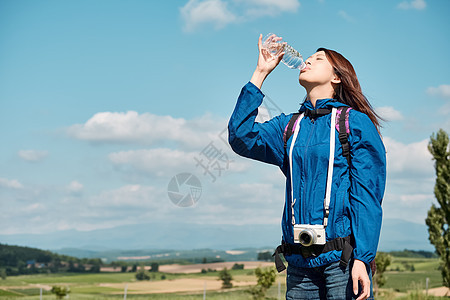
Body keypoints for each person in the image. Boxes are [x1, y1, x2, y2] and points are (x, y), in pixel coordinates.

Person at [228, 34, 386, 300]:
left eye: (318, 59)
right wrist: (260, 72)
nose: (308, 60)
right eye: (309, 57)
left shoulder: (353, 123)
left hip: (342, 263)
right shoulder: (289, 127)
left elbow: (367, 196)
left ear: (336, 77)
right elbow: (240, 136)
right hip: (299, 266)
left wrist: (363, 257)